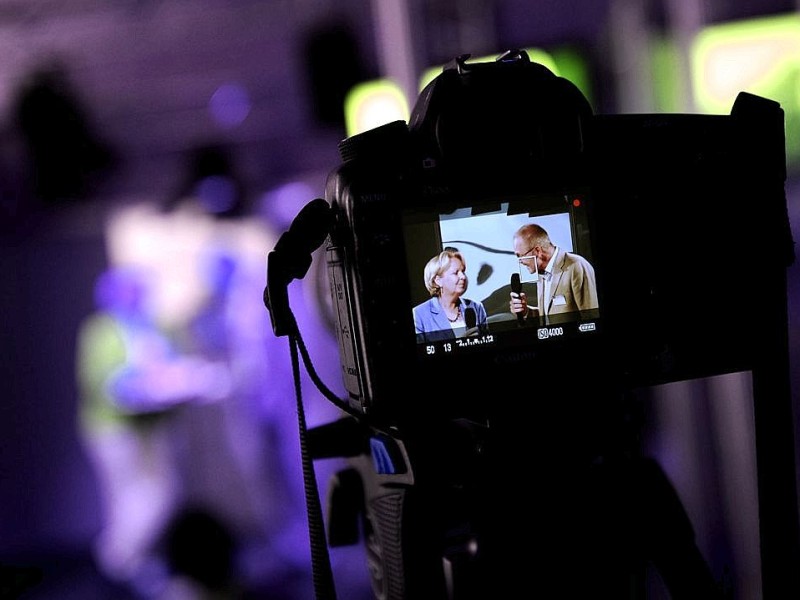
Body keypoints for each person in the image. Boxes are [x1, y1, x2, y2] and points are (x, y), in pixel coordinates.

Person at [509, 223, 598, 321]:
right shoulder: (541, 273)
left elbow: (593, 317)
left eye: (520, 256)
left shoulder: (576, 266)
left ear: (537, 251)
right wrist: (526, 312)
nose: (520, 261)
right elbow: (549, 317)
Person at [413, 249, 489, 342]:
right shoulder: (419, 314)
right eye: (456, 272)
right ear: (438, 280)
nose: (463, 277)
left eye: (463, 271)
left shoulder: (476, 307)